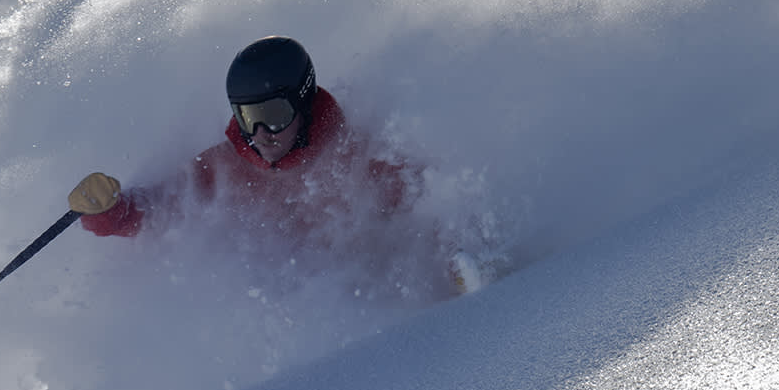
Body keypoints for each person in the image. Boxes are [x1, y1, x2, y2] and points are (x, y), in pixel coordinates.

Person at [67, 35, 484, 294]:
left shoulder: (359, 157)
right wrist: (110, 211)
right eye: (249, 117)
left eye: (275, 114)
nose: (262, 133)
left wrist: (460, 262)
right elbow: (164, 209)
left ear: (303, 103)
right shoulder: (226, 167)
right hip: (278, 300)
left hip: (369, 298)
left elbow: (432, 207)